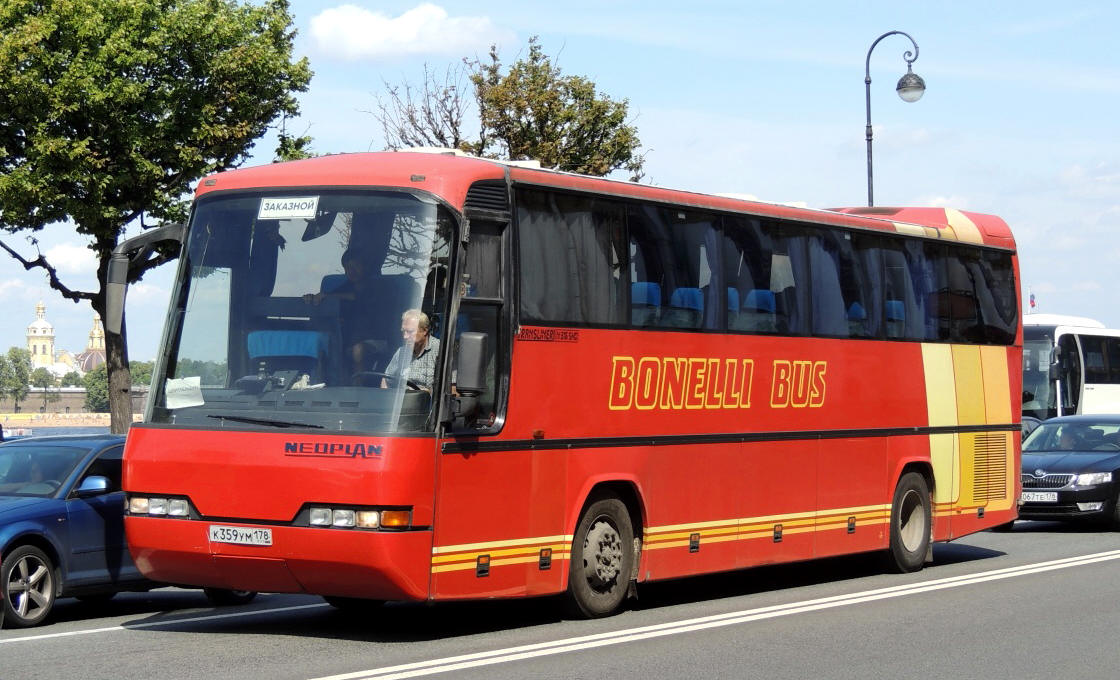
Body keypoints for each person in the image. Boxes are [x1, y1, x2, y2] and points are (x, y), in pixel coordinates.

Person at [382, 309, 440, 392]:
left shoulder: (439, 350)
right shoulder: (401, 352)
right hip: (402, 402)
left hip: (427, 403)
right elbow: (386, 380)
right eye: (403, 331)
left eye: (410, 332)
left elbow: (451, 388)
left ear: (425, 330)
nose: (405, 336)